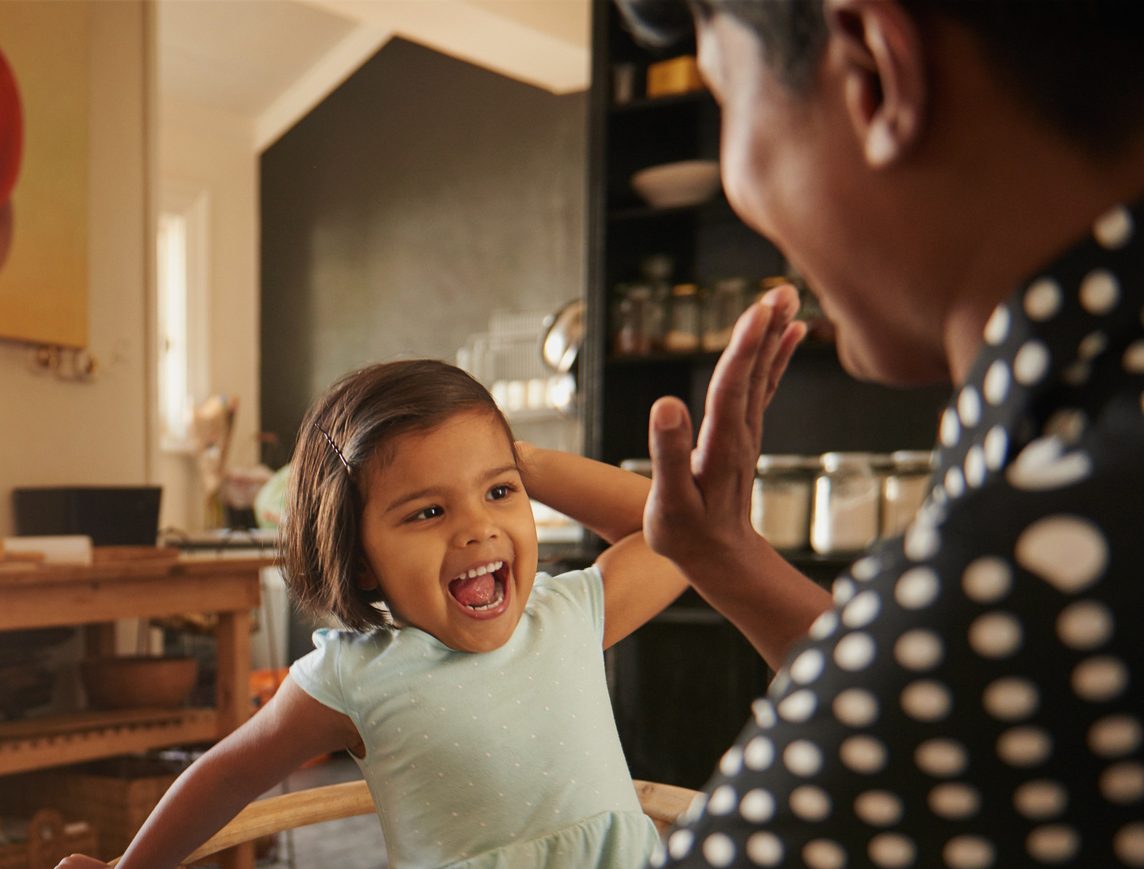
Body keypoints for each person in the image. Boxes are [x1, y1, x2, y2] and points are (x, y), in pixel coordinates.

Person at [616, 0, 1144, 866]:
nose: (739, 183)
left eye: (727, 96)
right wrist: (726, 558)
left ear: (873, 72)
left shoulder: (1011, 579)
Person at [59, 359, 703, 868]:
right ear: (360, 559)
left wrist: (520, 455)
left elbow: (680, 530)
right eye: (428, 511)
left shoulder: (566, 614)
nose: (479, 528)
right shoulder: (353, 678)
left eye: (501, 492)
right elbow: (224, 776)